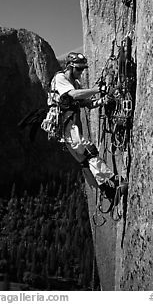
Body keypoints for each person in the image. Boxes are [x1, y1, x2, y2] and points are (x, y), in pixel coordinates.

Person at [50, 52, 120, 200]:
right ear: (70, 67)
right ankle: (114, 181)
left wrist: (103, 100)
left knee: (84, 160)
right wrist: (99, 90)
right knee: (89, 152)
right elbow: (74, 95)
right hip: (66, 126)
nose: (81, 72)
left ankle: (107, 190)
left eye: (82, 69)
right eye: (79, 69)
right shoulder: (60, 78)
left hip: (69, 127)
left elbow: (87, 104)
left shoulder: (75, 84)